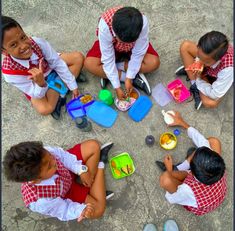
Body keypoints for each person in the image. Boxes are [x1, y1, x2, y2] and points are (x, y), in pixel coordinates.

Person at [3, 140, 114, 222]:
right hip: (67, 192)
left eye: (50, 156)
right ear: (36, 180)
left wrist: (81, 170)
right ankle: (101, 164)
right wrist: (82, 210)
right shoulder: (40, 201)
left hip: (67, 169)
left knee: (93, 145)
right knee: (98, 210)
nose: (54, 161)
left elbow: (64, 156)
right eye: (49, 167)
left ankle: (92, 188)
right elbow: (64, 210)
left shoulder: (43, 154)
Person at [2, 16, 85, 120]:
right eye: (14, 45)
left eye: (23, 37)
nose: (24, 46)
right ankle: (62, 85)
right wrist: (41, 83)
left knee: (78, 58)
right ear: (4, 51)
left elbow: (56, 62)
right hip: (37, 85)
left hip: (50, 68)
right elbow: (34, 93)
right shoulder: (10, 73)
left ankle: (60, 88)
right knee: (45, 109)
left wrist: (73, 85)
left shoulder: (37, 43)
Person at [156, 111, 227, 216]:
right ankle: (180, 167)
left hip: (199, 201)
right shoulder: (217, 164)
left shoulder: (188, 190)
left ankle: (175, 169)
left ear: (192, 173)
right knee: (214, 141)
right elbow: (202, 141)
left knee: (165, 179)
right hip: (213, 190)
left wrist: (169, 170)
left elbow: (173, 198)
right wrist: (181, 122)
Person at [84, 6, 160, 99]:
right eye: (122, 41)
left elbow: (139, 52)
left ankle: (112, 71)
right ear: (115, 33)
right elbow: (107, 57)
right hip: (111, 46)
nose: (124, 45)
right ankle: (126, 77)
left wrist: (130, 77)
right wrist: (117, 86)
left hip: (134, 46)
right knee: (89, 64)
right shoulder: (105, 26)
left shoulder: (142, 22)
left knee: (154, 62)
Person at [175, 31, 233, 110]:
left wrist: (198, 77)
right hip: (210, 66)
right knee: (185, 46)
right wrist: (198, 60)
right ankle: (194, 84)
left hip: (218, 76)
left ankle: (193, 77)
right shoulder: (208, 46)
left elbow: (214, 94)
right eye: (199, 55)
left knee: (210, 103)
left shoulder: (228, 69)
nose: (200, 62)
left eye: (206, 61)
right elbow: (201, 57)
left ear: (218, 60)